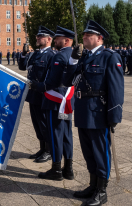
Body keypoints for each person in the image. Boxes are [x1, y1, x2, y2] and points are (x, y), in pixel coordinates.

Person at [72, 20, 124, 206]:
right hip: (83, 111)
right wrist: (73, 60)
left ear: (99, 38)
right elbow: (69, 80)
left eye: (88, 35)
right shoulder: (83, 57)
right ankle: (93, 185)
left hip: (99, 113)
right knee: (88, 152)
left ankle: (102, 191)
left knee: (100, 152)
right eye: (84, 34)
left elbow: (116, 89)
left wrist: (114, 116)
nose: (84, 37)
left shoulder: (110, 56)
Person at [32, 26, 78, 181]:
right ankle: (69, 168)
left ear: (66, 40)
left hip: (55, 102)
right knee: (67, 135)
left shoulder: (59, 56)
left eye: (58, 38)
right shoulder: (72, 55)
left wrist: (36, 86)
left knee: (55, 135)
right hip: (67, 102)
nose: (55, 40)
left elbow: (52, 82)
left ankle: (56, 169)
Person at [18, 26, 56, 163]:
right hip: (32, 94)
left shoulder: (51, 56)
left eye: (41, 37)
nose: (38, 38)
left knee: (44, 124)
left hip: (43, 95)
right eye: (37, 36)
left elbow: (51, 78)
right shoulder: (35, 54)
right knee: (37, 123)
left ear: (49, 39)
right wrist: (23, 53)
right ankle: (42, 148)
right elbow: (23, 67)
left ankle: (48, 151)